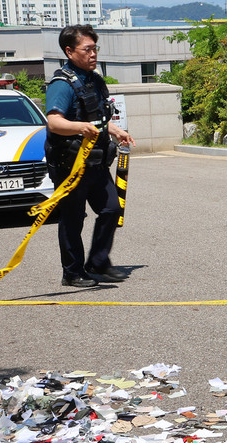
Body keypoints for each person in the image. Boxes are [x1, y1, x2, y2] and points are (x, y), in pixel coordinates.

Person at [45, 24, 135, 288]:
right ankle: (72, 272)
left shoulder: (94, 79)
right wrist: (79, 128)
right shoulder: (61, 84)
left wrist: (115, 130)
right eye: (88, 49)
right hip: (70, 165)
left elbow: (97, 118)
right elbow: (54, 123)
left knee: (111, 209)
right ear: (70, 51)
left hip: (95, 163)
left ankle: (97, 262)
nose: (93, 54)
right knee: (73, 218)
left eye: (95, 48)